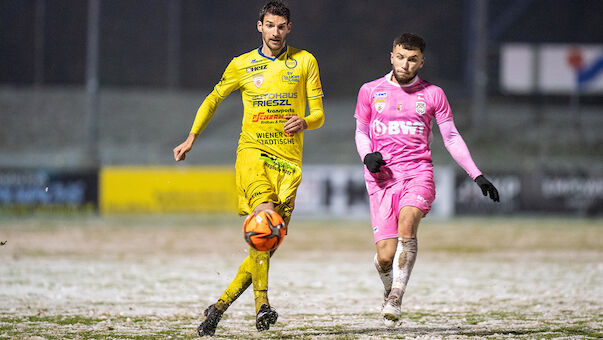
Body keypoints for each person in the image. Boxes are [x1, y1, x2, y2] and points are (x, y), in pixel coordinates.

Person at [173, 1, 324, 336]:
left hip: (288, 165)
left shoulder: (304, 62)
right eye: (269, 25)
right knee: (265, 220)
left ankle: (218, 308)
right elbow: (214, 98)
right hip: (253, 155)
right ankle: (262, 306)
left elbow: (318, 115)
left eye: (281, 26)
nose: (275, 32)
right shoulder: (242, 65)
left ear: (289, 28)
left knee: (266, 242)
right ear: (260, 26)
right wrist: (191, 137)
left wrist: (305, 121)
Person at [353, 33, 499, 327]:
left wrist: (477, 174)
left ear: (422, 61)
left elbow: (451, 137)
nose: (406, 64)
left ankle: (396, 297)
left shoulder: (433, 94)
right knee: (385, 257)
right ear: (391, 56)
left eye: (412, 59)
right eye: (401, 57)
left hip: (418, 173)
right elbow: (361, 132)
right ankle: (388, 288)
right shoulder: (370, 91)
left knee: (408, 224)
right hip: (381, 180)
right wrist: (367, 156)